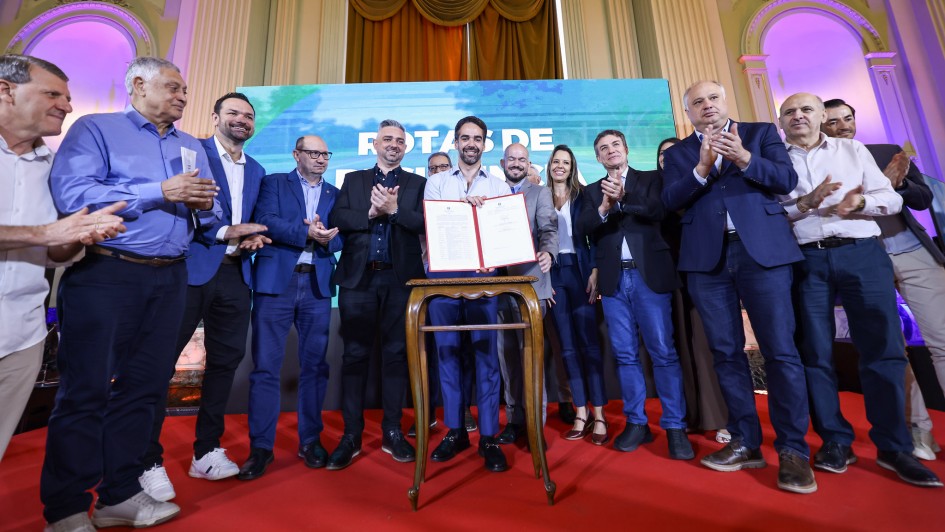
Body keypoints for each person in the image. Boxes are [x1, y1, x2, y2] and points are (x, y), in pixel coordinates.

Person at [42, 56, 221, 529]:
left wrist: (208, 207)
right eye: (174, 86)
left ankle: (118, 495)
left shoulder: (191, 146)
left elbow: (210, 209)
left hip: (170, 278)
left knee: (144, 393)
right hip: (107, 274)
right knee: (85, 392)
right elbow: (74, 196)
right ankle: (65, 506)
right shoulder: (95, 130)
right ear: (138, 84)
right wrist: (159, 191)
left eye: (186, 88)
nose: (184, 95)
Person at [777, 92, 941, 488]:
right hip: (807, 260)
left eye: (806, 109)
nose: (798, 116)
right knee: (814, 355)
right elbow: (770, 214)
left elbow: (890, 197)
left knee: (883, 351)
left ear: (821, 116)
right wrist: (805, 205)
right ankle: (834, 440)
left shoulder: (853, 151)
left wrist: (861, 201)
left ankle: (894, 447)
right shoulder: (776, 161)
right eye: (789, 112)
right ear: (780, 122)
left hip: (862, 253)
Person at [661, 80, 815, 494]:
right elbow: (670, 200)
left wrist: (746, 158)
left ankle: (793, 450)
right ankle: (746, 441)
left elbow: (785, 179)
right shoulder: (677, 154)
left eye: (712, 98)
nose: (706, 106)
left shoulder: (761, 133)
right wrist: (703, 167)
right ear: (688, 112)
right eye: (697, 102)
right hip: (706, 262)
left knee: (781, 351)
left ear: (724, 101)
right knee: (726, 353)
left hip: (762, 254)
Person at [139, 92, 269, 500]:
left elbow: (248, 221)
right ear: (215, 117)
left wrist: (253, 238)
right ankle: (146, 460)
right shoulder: (191, 153)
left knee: (225, 364)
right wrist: (223, 232)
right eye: (233, 113)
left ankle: (206, 450)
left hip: (235, 275)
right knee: (160, 363)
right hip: (190, 268)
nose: (241, 121)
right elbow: (185, 209)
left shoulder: (259, 169)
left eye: (248, 116)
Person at [0, 54, 125, 465]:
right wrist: (44, 233)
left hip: (22, 335)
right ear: (6, 91)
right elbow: (44, 236)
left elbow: (55, 255)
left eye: (68, 97)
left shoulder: (53, 169)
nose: (68, 106)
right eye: (53, 94)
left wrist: (81, 237)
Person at [822, 98, 944, 460]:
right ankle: (917, 431)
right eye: (833, 122)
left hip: (912, 253)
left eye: (848, 118)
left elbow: (922, 198)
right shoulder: (820, 164)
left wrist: (897, 185)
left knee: (941, 342)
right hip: (865, 260)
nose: (843, 126)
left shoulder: (887, 152)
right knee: (891, 350)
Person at [576, 129, 692, 460]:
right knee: (625, 355)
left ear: (626, 150)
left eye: (615, 145)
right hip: (613, 281)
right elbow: (585, 228)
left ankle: (674, 426)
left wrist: (624, 197)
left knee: (663, 352)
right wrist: (604, 205)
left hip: (649, 277)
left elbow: (658, 211)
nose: (610, 151)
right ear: (597, 158)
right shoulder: (589, 191)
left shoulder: (653, 178)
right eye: (603, 149)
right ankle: (637, 422)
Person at [240, 135, 342, 480]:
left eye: (325, 153)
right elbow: (265, 219)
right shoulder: (273, 183)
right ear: (296, 154)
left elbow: (343, 235)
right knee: (265, 367)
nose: (320, 158)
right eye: (313, 153)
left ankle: (310, 440)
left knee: (315, 367)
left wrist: (330, 236)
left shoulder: (334, 193)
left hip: (317, 285)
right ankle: (261, 448)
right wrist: (307, 233)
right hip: (275, 283)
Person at [327, 119, 425, 470]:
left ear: (405, 147)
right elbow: (338, 216)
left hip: (401, 282)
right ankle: (351, 434)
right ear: (375, 144)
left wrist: (395, 211)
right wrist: (371, 212)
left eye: (400, 141)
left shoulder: (418, 183)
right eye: (387, 139)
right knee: (354, 356)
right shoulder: (354, 180)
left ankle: (393, 431)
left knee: (397, 356)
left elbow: (425, 223)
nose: (394, 145)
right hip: (357, 281)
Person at [424, 116, 511, 472]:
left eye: (477, 138)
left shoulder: (501, 186)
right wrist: (464, 208)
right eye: (465, 138)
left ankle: (488, 436)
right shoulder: (436, 182)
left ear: (484, 143)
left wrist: (496, 254)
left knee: (487, 360)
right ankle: (456, 431)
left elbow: (504, 235)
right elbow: (431, 228)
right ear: (456, 142)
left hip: (485, 281)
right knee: (447, 357)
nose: (471, 143)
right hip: (444, 281)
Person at [656, 137, 729, 442]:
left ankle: (721, 416)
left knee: (708, 344)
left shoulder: (704, 182)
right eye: (663, 155)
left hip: (703, 269)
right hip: (666, 278)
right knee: (677, 349)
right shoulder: (654, 190)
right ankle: (688, 415)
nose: (667, 159)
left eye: (672, 154)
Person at [543, 145, 609, 444]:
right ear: (549, 165)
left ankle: (600, 415)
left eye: (565, 162)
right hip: (554, 274)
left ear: (572, 168)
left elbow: (594, 235)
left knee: (590, 346)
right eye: (556, 161)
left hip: (581, 272)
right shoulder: (539, 195)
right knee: (567, 347)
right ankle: (580, 412)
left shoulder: (585, 195)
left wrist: (595, 269)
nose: (560, 166)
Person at [495, 143, 558, 444]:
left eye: (522, 159)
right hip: (495, 286)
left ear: (528, 163)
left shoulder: (539, 193)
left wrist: (549, 252)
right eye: (512, 159)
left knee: (531, 358)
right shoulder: (490, 191)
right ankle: (513, 420)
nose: (517, 163)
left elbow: (548, 227)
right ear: (502, 162)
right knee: (506, 358)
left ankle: (536, 426)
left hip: (532, 283)